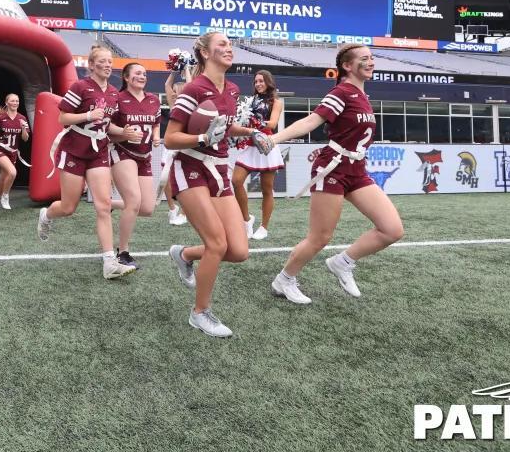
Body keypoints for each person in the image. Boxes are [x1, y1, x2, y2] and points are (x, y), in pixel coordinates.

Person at [268, 43, 404, 305]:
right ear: (347, 66)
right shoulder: (342, 92)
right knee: (320, 236)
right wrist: (275, 139)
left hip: (357, 169)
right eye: (364, 58)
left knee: (392, 229)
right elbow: (310, 121)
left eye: (372, 57)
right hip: (333, 167)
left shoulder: (361, 95)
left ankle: (343, 262)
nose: (371, 62)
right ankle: (284, 280)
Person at [164, 32, 273, 337]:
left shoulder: (234, 89)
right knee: (217, 243)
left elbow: (223, 128)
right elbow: (170, 138)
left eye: (229, 44)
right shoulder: (193, 89)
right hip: (190, 168)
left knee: (239, 251)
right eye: (222, 44)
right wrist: (201, 138)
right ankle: (200, 313)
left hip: (218, 170)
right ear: (204, 52)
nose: (228, 48)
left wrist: (250, 133)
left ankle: (184, 254)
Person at [37, 44, 136, 280]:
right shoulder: (80, 86)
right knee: (68, 207)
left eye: (110, 61)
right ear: (91, 65)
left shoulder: (113, 93)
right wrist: (88, 115)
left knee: (103, 206)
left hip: (99, 150)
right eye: (102, 60)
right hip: (74, 150)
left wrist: (124, 132)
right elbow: (62, 117)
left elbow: (106, 125)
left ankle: (109, 262)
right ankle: (46, 216)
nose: (107, 64)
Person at [108, 62, 161, 269]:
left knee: (147, 208)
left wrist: (156, 137)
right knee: (134, 201)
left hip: (145, 155)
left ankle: (110, 204)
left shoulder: (153, 99)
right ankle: (123, 252)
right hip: (122, 151)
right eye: (137, 73)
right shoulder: (117, 99)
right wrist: (123, 132)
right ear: (126, 77)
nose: (142, 76)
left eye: (144, 73)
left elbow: (155, 123)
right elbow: (106, 124)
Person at [232, 70, 284, 240]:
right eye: (256, 82)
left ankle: (264, 227)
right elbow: (241, 120)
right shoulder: (250, 101)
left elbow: (274, 123)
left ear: (268, 82)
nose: (258, 84)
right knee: (236, 181)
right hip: (249, 144)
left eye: (261, 81)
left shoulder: (276, 102)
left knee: (266, 189)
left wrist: (256, 123)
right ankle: (247, 220)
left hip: (266, 145)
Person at [0, 93, 30, 212]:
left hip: (13, 152)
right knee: (12, 172)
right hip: (0, 149)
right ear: (7, 102)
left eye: (17, 101)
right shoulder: (1, 118)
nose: (15, 103)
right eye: (12, 101)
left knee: (3, 180)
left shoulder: (22, 118)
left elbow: (25, 138)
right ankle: (5, 197)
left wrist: (22, 128)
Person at [162, 67, 191, 226]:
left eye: (176, 90)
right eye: (173, 91)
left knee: (184, 180)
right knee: (165, 178)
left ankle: (184, 212)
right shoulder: (173, 104)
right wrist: (175, 69)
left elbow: (190, 83)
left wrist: (187, 69)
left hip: (184, 146)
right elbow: (167, 84)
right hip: (170, 146)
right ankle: (172, 208)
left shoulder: (189, 106)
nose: (173, 93)